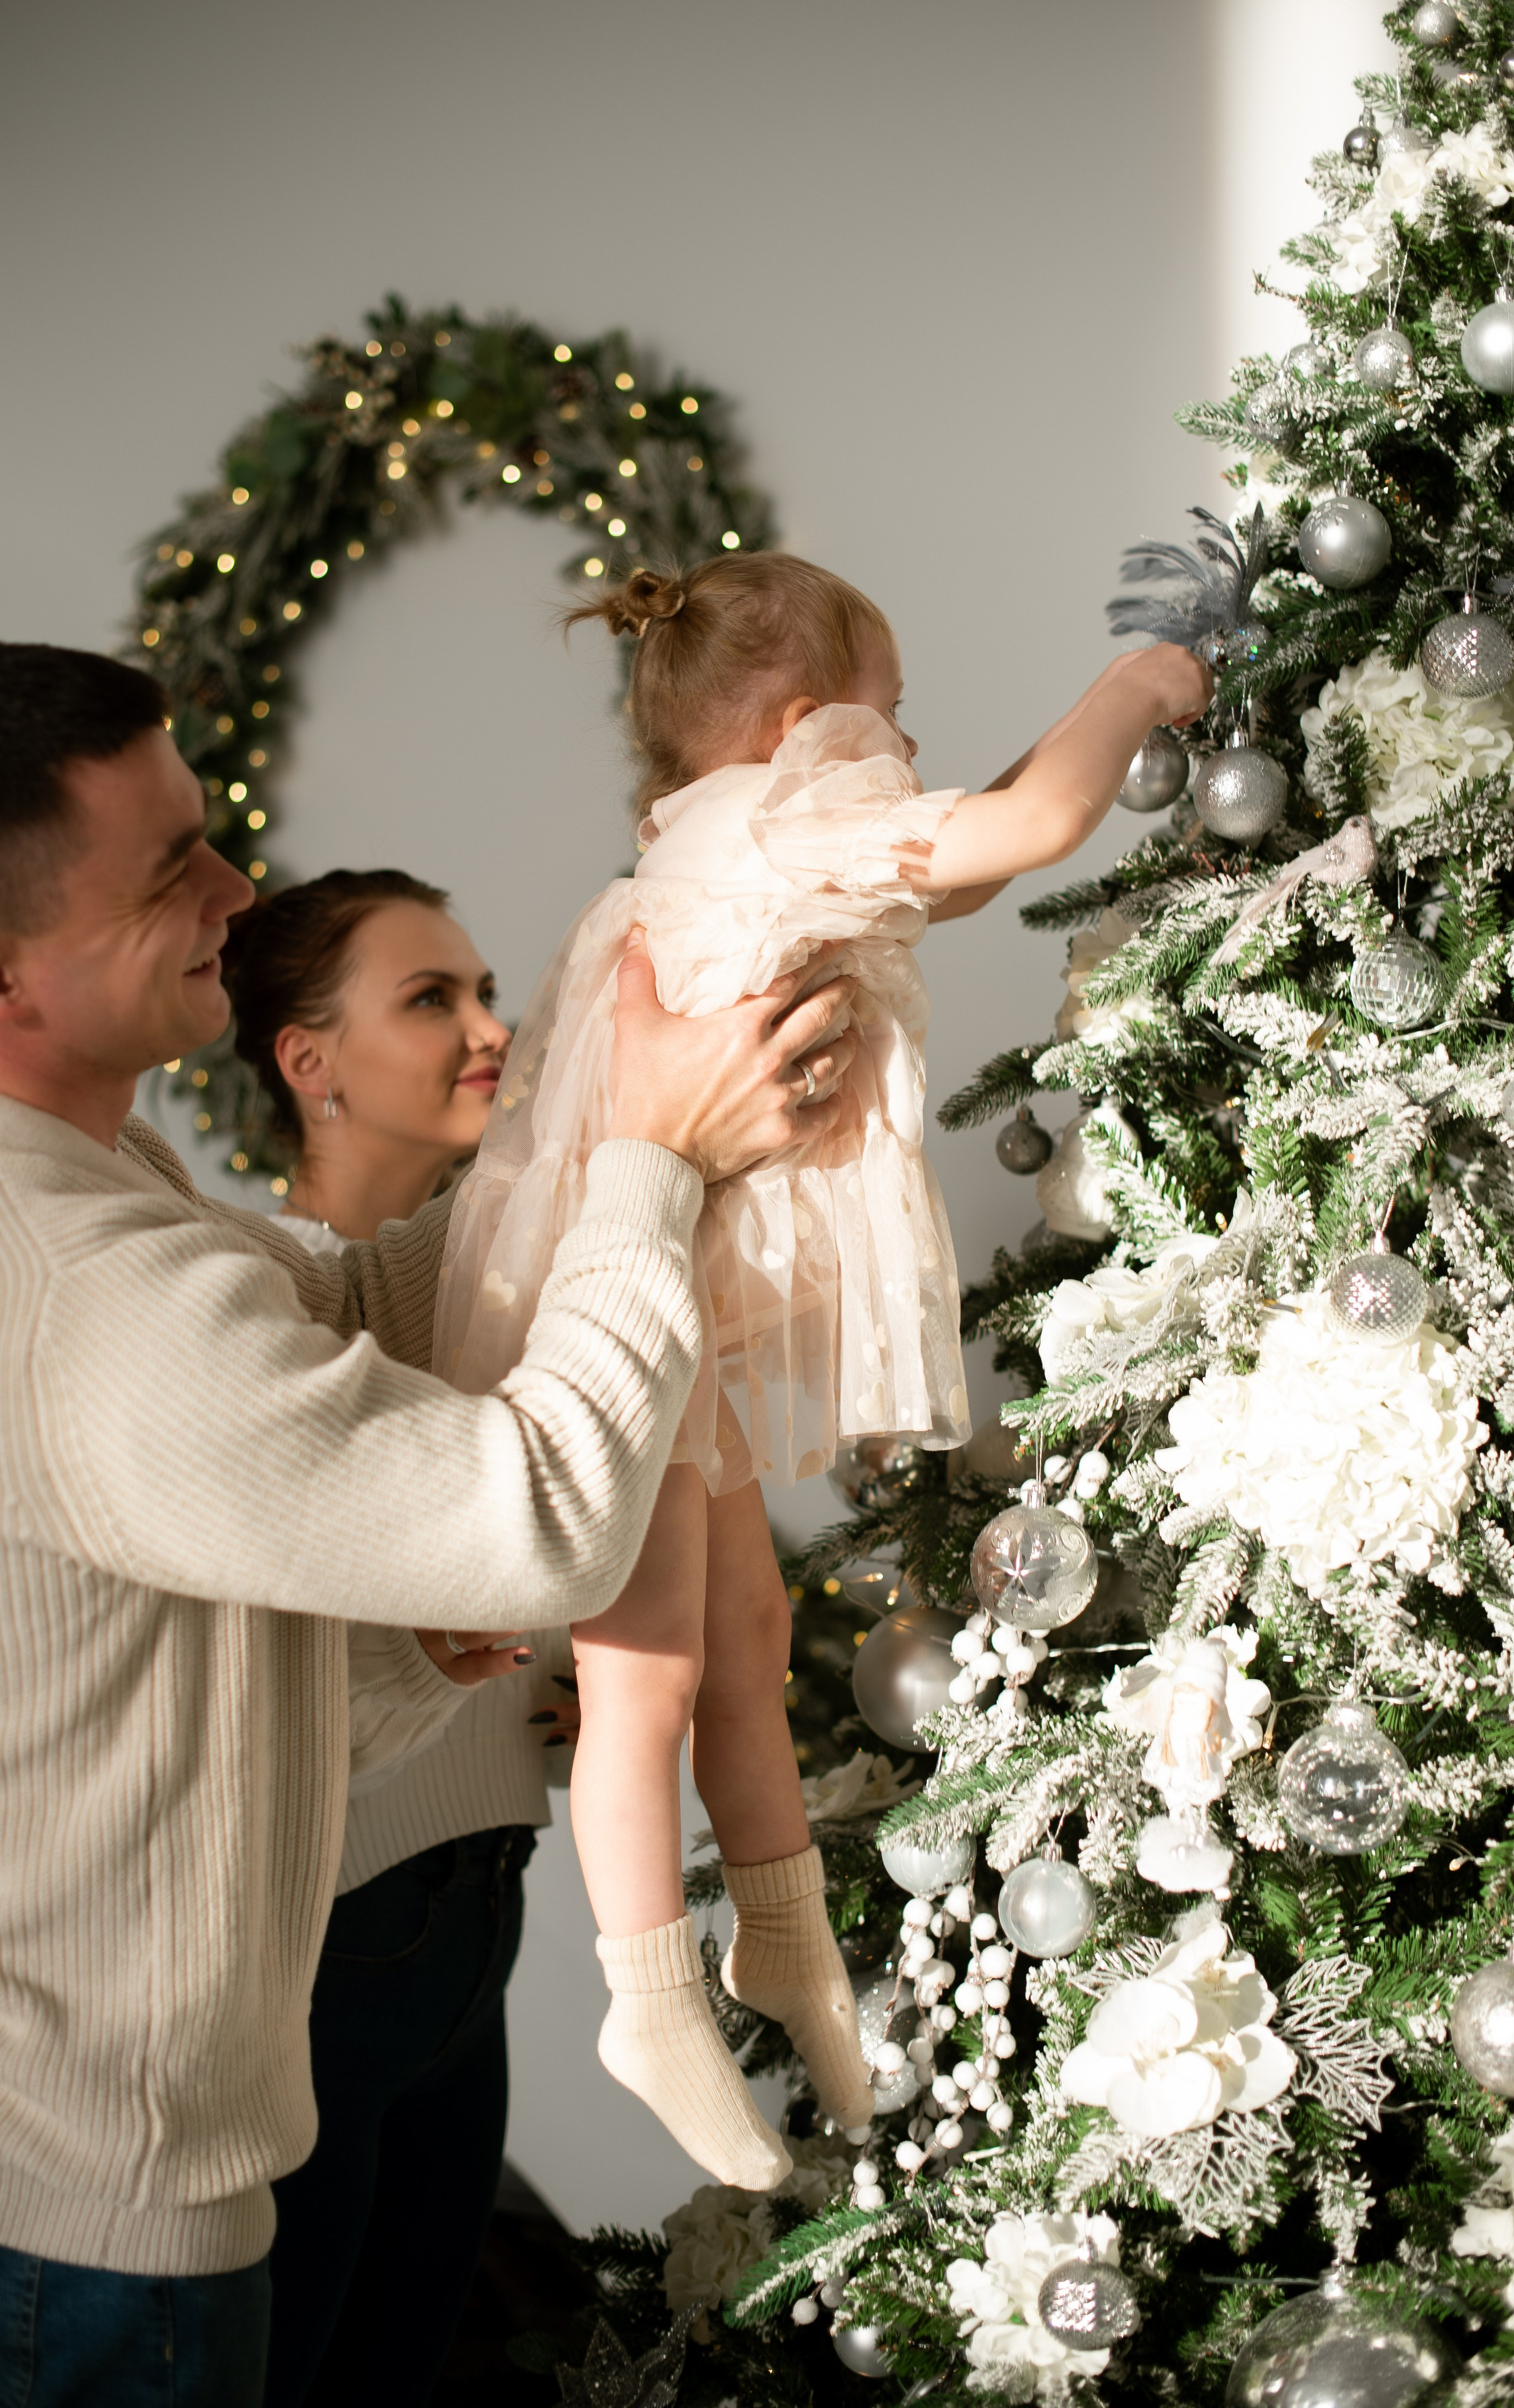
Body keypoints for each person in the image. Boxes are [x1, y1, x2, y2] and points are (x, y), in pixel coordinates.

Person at [0, 639, 859, 2407]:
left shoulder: (59, 1184)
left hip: (46, 2187)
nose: (233, 888)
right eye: (165, 872)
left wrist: (639, 1117)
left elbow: (358, 1309)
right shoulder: (70, 1281)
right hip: (65, 2246)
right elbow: (546, 1519)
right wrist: (646, 1167)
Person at [436, 554, 1211, 2188]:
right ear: (806, 727)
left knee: (751, 1633)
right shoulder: (779, 827)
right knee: (644, 1676)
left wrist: (1054, 739)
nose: (907, 746)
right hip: (631, 1323)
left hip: (676, 1326)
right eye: (895, 714)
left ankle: (778, 1937)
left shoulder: (721, 845)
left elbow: (968, 866)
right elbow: (1027, 838)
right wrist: (1139, 684)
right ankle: (644, 1999)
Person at [218, 867, 560, 2405]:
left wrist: (539, 1689)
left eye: (485, 993)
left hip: (476, 1916)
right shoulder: (261, 1303)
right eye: (433, 998)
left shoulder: (476, 1296)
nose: (488, 1031)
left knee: (401, 2373)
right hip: (337, 1942)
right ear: (310, 1060)